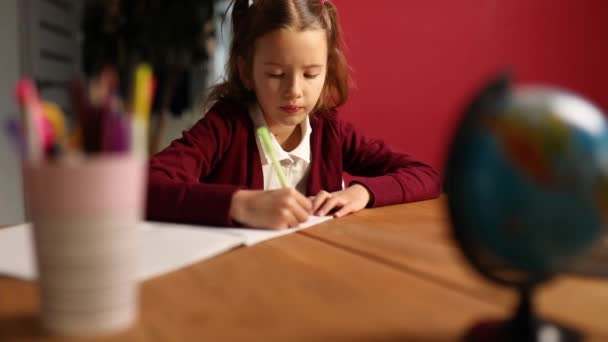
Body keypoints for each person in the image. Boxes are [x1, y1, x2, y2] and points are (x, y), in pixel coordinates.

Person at [146, 0, 441, 229]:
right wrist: (241, 204)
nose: (294, 91)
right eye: (276, 74)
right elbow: (146, 186)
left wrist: (362, 193)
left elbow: (425, 175)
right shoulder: (226, 127)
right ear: (246, 71)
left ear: (327, 71)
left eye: (311, 74)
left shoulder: (328, 131)